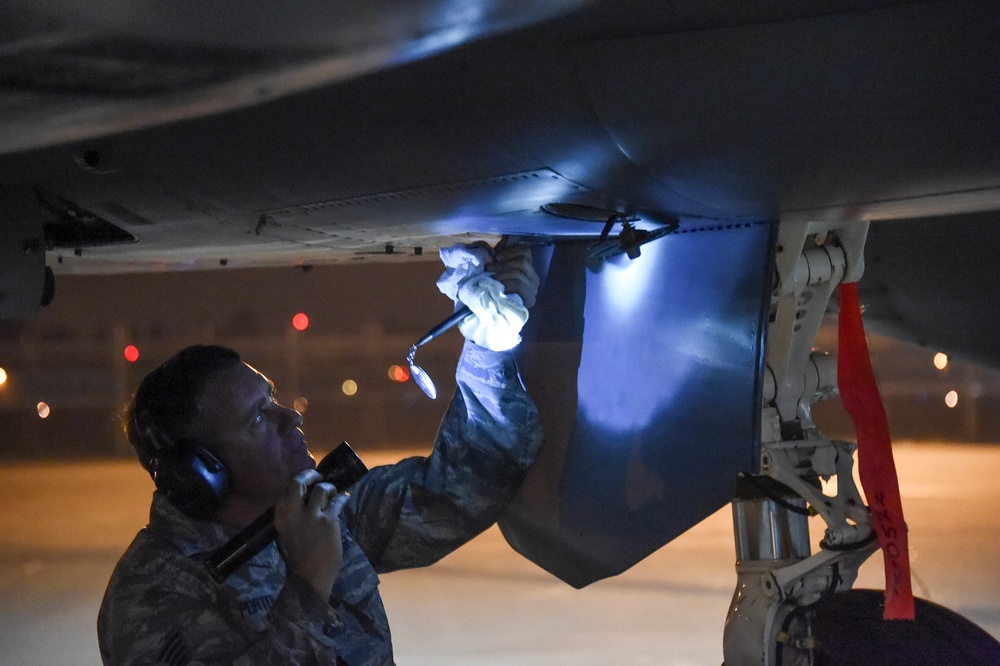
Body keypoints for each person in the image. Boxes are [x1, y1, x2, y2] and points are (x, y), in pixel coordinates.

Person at [97, 245, 542, 665]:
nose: (289, 417)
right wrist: (309, 584)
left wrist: (488, 346)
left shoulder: (314, 511)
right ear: (202, 471)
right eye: (257, 419)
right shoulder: (152, 589)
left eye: (272, 399)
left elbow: (457, 492)